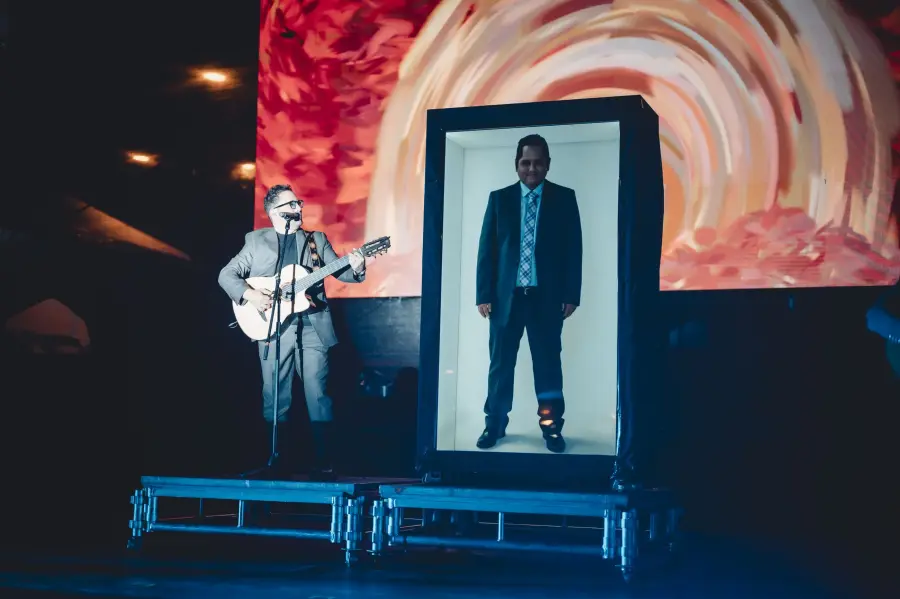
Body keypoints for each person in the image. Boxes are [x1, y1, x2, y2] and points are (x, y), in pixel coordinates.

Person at [218, 184, 366, 479]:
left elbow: (341, 271)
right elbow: (227, 274)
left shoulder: (315, 239)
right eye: (292, 204)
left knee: (317, 392)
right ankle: (277, 459)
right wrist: (252, 295)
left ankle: (324, 462)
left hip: (312, 325)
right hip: (273, 326)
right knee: (275, 393)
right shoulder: (256, 241)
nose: (299, 208)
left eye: (299, 203)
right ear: (275, 212)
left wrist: (358, 266)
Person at [475, 134, 583, 453]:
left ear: (547, 165)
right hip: (504, 299)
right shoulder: (499, 200)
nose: (531, 168)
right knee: (500, 365)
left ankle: (551, 427)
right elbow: (487, 250)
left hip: (546, 300)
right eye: (525, 162)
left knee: (548, 366)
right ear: (516, 164)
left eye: (538, 162)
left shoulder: (564, 199)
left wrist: (571, 294)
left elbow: (573, 250)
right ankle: (494, 424)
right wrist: (484, 294)